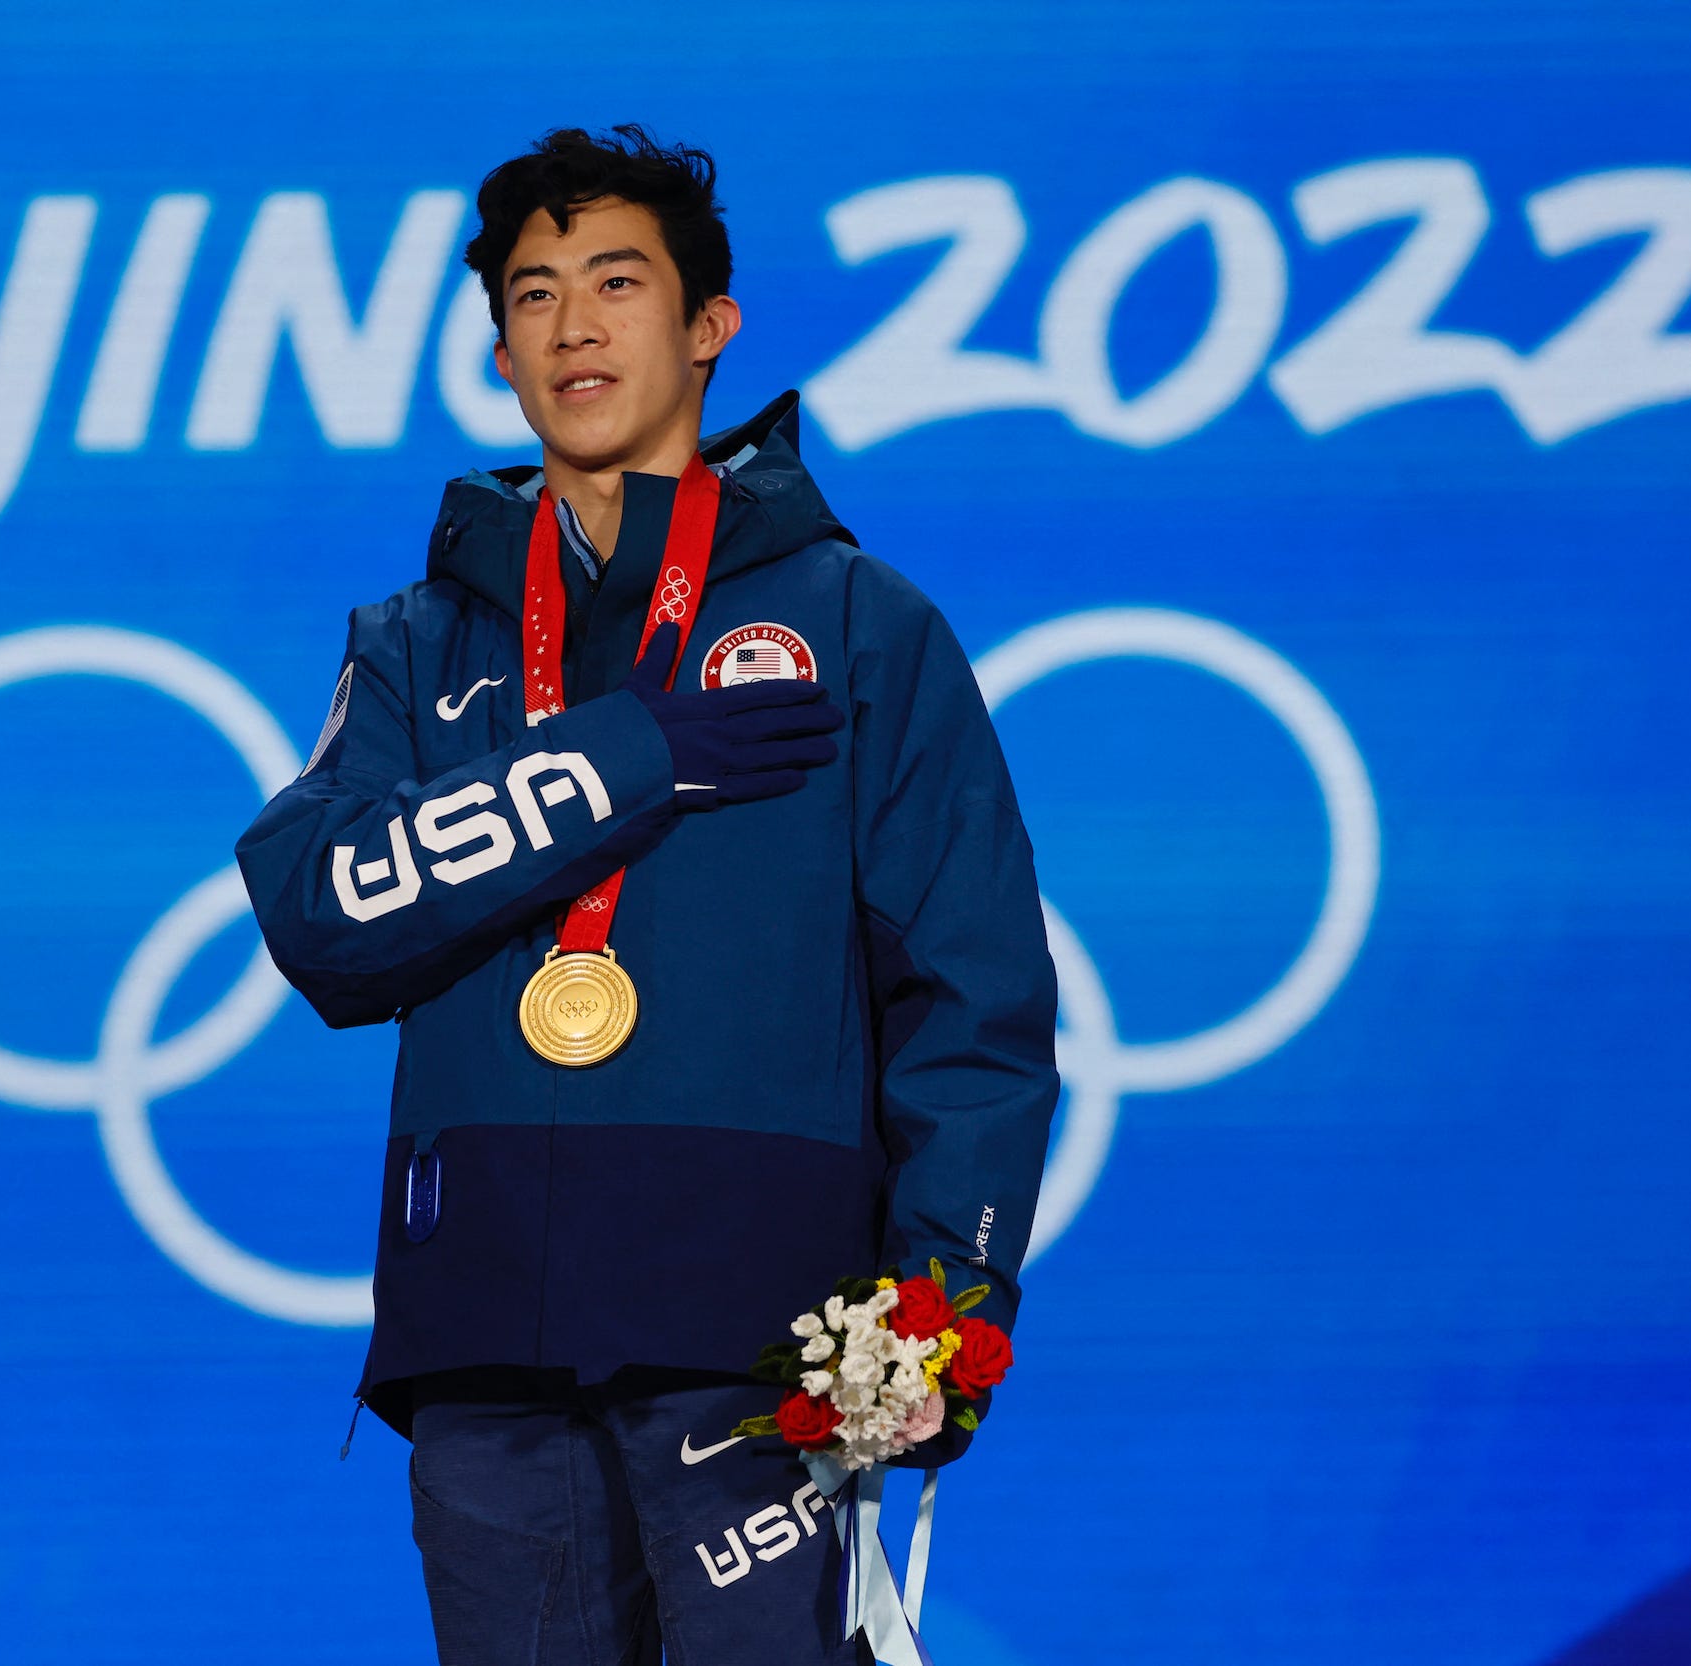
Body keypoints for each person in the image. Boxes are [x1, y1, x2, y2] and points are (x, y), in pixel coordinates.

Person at [234, 125, 1059, 1666]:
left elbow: (977, 1000)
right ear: (498, 350)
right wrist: (629, 755)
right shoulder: (419, 641)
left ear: (708, 329)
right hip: (488, 1338)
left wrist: (942, 1304)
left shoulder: (864, 627)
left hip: (770, 1347)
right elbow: (321, 910)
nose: (575, 325)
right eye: (534, 295)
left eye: (618, 281)